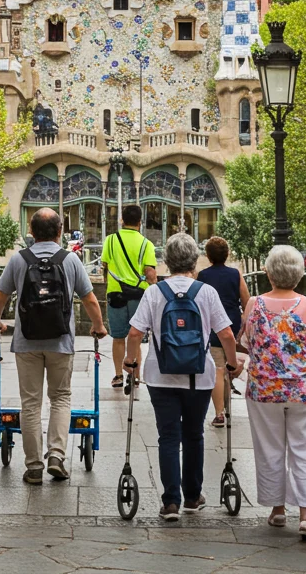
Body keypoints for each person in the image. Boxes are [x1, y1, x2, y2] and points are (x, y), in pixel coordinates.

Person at [124, 232, 242, 520]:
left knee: (167, 436)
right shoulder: (205, 292)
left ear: (166, 260)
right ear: (194, 260)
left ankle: (171, 502)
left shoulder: (154, 292)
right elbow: (225, 333)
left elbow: (134, 333)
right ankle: (192, 496)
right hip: (198, 376)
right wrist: (232, 363)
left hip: (160, 376)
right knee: (193, 435)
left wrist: (130, 361)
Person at [0, 208, 107, 484]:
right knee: (61, 397)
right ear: (60, 231)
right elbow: (89, 299)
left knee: (30, 403)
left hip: (26, 340)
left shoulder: (19, 259)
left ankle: (33, 467)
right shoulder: (70, 260)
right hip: (60, 340)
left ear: (31, 231)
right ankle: (56, 455)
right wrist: (98, 326)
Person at [242, 245, 306, 540]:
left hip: (264, 388)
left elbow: (246, 341)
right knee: (305, 450)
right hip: (305, 390)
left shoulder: (254, 304)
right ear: (299, 273)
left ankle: (278, 510)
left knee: (269, 448)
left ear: (268, 273)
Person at [196, 236, 250, 427]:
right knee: (228, 365)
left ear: (208, 256)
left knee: (218, 368)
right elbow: (246, 302)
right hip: (232, 324)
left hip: (212, 326)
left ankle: (220, 413)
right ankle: (227, 406)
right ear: (227, 255)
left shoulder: (202, 276)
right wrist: (243, 326)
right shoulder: (236, 274)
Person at [102, 203, 157, 389]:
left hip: (115, 293)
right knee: (136, 337)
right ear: (140, 222)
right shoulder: (146, 244)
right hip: (138, 295)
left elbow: (105, 266)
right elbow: (150, 273)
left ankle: (118, 375)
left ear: (122, 220)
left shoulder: (109, 240)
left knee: (118, 338)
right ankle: (135, 375)